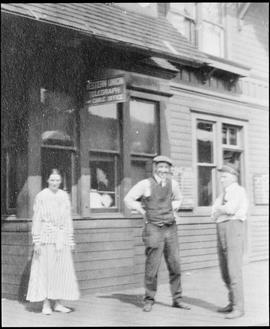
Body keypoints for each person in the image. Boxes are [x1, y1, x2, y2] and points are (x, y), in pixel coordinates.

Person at [124, 155, 191, 312]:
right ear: (155, 168)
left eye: (166, 168)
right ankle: (149, 299)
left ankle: (177, 299)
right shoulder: (145, 184)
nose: (163, 170)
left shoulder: (172, 184)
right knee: (152, 266)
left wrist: (173, 208)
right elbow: (128, 199)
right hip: (153, 228)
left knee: (175, 264)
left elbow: (179, 198)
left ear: (169, 169)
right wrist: (142, 210)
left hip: (170, 228)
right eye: (160, 167)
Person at [26, 169, 80, 315]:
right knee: (46, 271)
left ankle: (58, 303)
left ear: (60, 181)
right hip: (46, 238)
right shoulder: (42, 196)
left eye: (57, 180)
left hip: (60, 238)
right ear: (47, 181)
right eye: (52, 180)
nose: (55, 183)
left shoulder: (64, 196)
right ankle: (46, 304)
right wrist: (36, 241)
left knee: (60, 271)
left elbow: (68, 220)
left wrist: (70, 239)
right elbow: (37, 219)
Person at [211, 164, 248, 319]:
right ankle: (232, 302)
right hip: (221, 229)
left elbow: (231, 209)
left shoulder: (239, 191)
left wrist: (221, 209)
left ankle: (239, 307)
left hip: (233, 228)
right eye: (221, 176)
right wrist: (220, 209)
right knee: (224, 270)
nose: (221, 179)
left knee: (233, 270)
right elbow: (212, 213)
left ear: (233, 176)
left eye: (224, 176)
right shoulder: (222, 194)